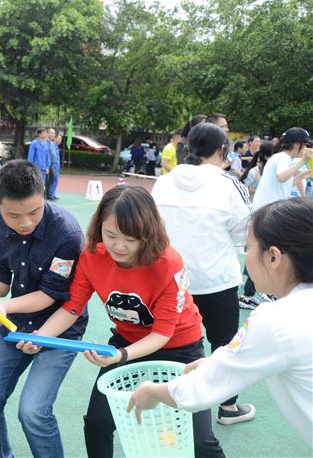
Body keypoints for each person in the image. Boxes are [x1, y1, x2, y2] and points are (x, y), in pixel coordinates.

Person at [18, 185, 224, 458]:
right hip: (127, 340)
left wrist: (120, 355)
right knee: (97, 423)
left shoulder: (168, 263)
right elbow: (72, 308)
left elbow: (162, 333)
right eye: (111, 235)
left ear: (147, 234)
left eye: (130, 238)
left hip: (180, 347)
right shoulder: (92, 255)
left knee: (200, 441)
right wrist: (40, 336)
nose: (118, 246)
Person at [128, 197, 313, 449]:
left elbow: (199, 391)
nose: (246, 257)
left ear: (273, 257)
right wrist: (216, 362)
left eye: (248, 248)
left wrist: (152, 391)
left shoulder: (276, 320)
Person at [0, 160, 86, 458]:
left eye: (34, 211)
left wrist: (3, 307)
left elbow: (49, 295)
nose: (25, 223)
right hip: (16, 325)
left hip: (59, 330)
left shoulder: (67, 233)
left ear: (43, 196)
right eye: (13, 215)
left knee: (33, 412)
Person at [152, 122, 255, 425]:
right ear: (222, 150)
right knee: (224, 344)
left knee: (168, 341)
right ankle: (228, 407)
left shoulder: (163, 182)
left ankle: (165, 401)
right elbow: (245, 232)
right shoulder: (227, 184)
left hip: (171, 281)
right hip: (215, 281)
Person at [239, 141, 275, 309]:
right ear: (267, 156)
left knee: (262, 253)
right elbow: (243, 188)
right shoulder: (256, 171)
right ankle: (248, 294)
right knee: (257, 253)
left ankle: (255, 290)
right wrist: (258, 192)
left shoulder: (272, 171)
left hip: (266, 215)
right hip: (256, 214)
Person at [252, 127, 313, 210]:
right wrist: (303, 160)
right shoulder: (283, 157)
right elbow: (282, 177)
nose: (305, 148)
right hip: (267, 210)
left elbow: (284, 184)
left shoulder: (279, 157)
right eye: (305, 145)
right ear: (297, 144)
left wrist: (302, 176)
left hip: (266, 209)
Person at [45, 128, 60, 200]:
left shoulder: (51, 143)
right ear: (47, 133)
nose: (53, 135)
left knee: (51, 181)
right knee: (45, 182)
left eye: (54, 133)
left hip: (52, 166)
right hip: (47, 166)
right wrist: (47, 166)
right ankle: (44, 197)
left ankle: (49, 195)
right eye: (52, 133)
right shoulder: (45, 143)